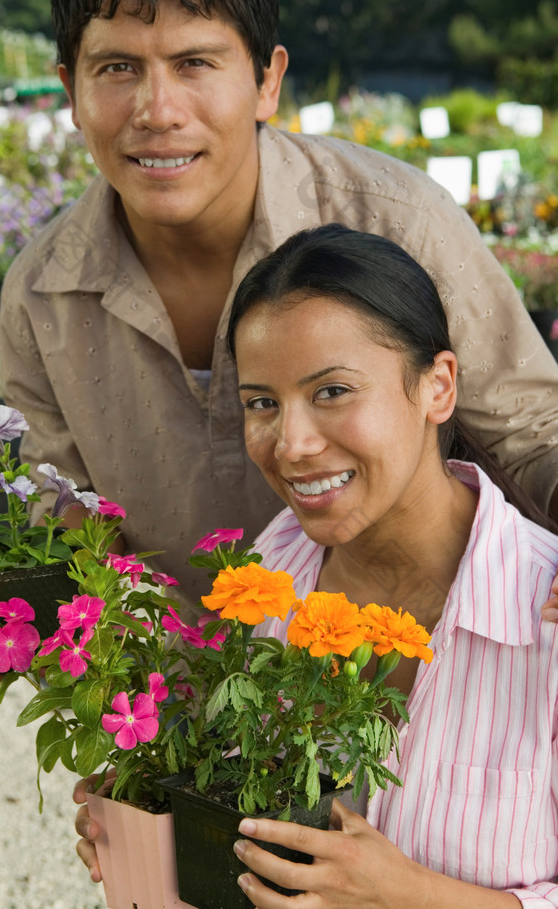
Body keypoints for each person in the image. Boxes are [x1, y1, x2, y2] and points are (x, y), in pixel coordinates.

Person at [0, 0, 558, 618]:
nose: (158, 111)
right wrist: (29, 610)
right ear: (70, 91)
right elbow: (61, 521)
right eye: (116, 68)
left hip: (417, 667)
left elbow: (532, 431)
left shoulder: (397, 221)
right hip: (185, 702)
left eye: (195, 62)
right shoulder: (41, 294)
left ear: (267, 81)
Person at [218, 223, 558, 907]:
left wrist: (409, 896)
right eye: (262, 402)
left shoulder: (546, 609)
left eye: (333, 391)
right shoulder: (271, 570)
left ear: (438, 387)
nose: (291, 443)